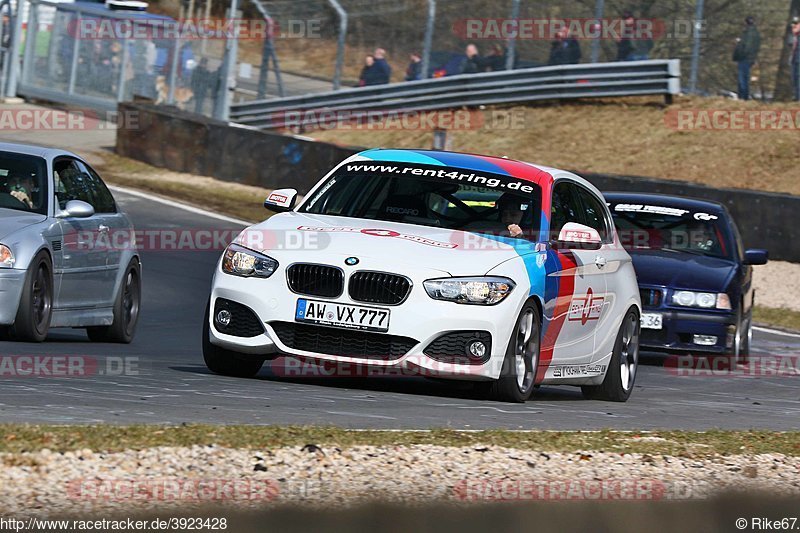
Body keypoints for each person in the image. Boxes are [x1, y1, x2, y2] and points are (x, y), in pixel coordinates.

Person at [733, 16, 761, 101]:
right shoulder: (756, 33)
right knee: (745, 77)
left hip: (745, 58)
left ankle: (743, 97)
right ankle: (743, 96)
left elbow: (747, 47)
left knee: (742, 78)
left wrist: (739, 45)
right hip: (750, 58)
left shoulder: (748, 33)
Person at [790, 17, 800, 101]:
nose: (793, 26)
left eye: (796, 24)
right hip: (795, 59)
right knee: (794, 78)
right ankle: (796, 96)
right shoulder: (794, 36)